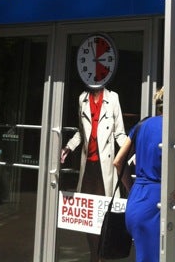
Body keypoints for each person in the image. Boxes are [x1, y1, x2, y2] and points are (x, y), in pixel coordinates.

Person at [113, 81, 175, 262]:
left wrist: (133, 189)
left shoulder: (141, 125)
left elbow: (118, 162)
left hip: (135, 202)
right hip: (156, 207)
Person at [61, 86, 126, 262]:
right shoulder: (82, 98)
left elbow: (120, 133)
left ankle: (101, 256)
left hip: (105, 168)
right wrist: (69, 147)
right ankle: (94, 256)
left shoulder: (113, 98)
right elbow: (81, 132)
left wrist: (132, 153)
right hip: (88, 169)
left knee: (104, 216)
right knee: (89, 217)